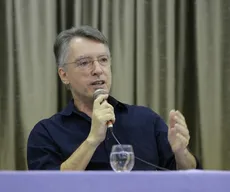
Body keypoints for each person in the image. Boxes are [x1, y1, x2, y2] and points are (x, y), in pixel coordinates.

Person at [27, 25, 202, 171]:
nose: (97, 69)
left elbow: (190, 176)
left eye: (103, 60)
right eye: (84, 62)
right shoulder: (46, 133)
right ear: (64, 75)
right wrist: (92, 140)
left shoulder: (147, 120)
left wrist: (181, 153)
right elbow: (48, 185)